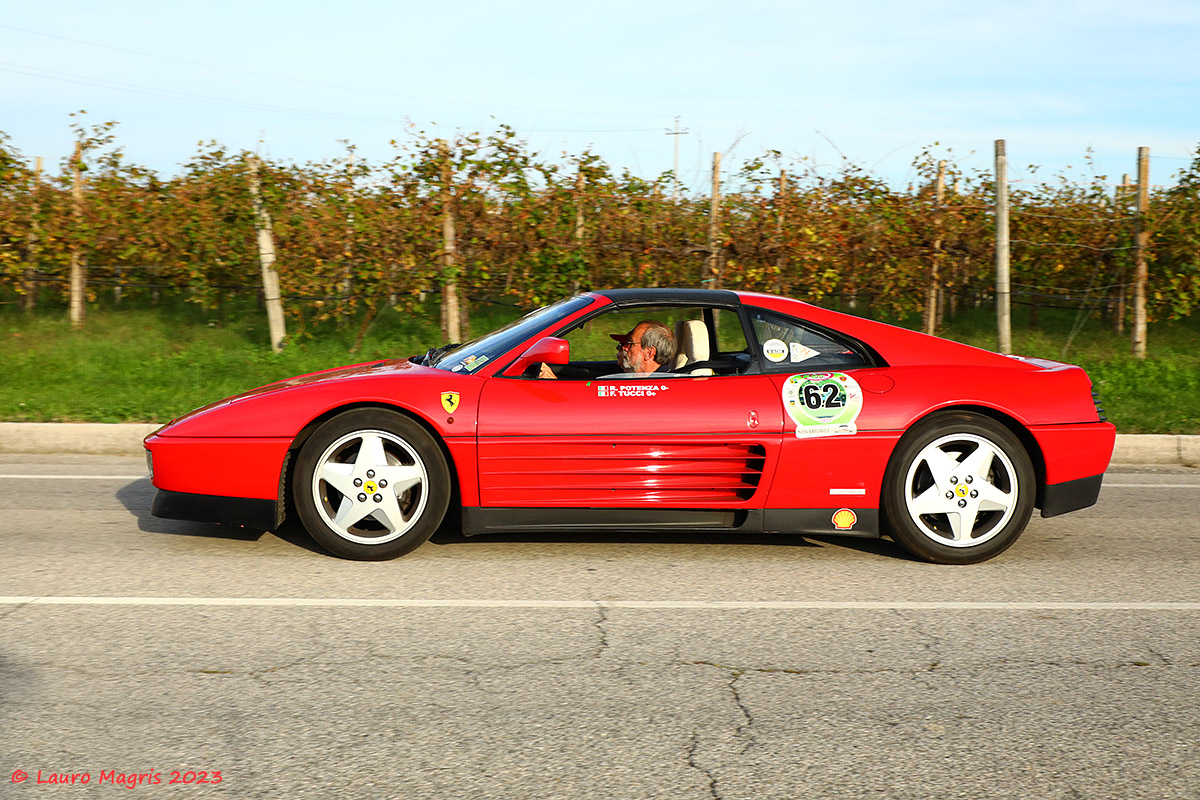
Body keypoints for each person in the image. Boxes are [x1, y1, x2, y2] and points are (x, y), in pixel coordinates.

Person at [538, 319, 677, 379]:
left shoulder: (656, 386)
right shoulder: (633, 379)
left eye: (628, 344)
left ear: (649, 353)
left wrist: (554, 385)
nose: (621, 348)